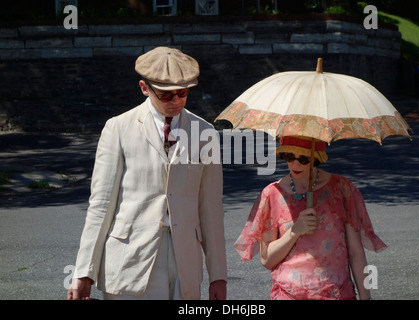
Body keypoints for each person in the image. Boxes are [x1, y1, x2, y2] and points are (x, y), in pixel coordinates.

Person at [67, 47, 227, 300]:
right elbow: (101, 204)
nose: (176, 101)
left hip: (184, 261)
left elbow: (211, 208)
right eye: (166, 95)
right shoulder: (118, 128)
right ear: (144, 87)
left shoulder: (204, 133)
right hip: (129, 259)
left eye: (183, 93)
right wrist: (84, 272)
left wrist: (218, 275)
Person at [234, 136, 387, 300]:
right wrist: (295, 231)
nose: (295, 164)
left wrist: (366, 297)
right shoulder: (272, 193)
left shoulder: (342, 189)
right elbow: (267, 260)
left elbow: (356, 252)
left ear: (317, 158)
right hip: (289, 295)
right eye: (289, 157)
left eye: (304, 159)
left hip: (337, 293)